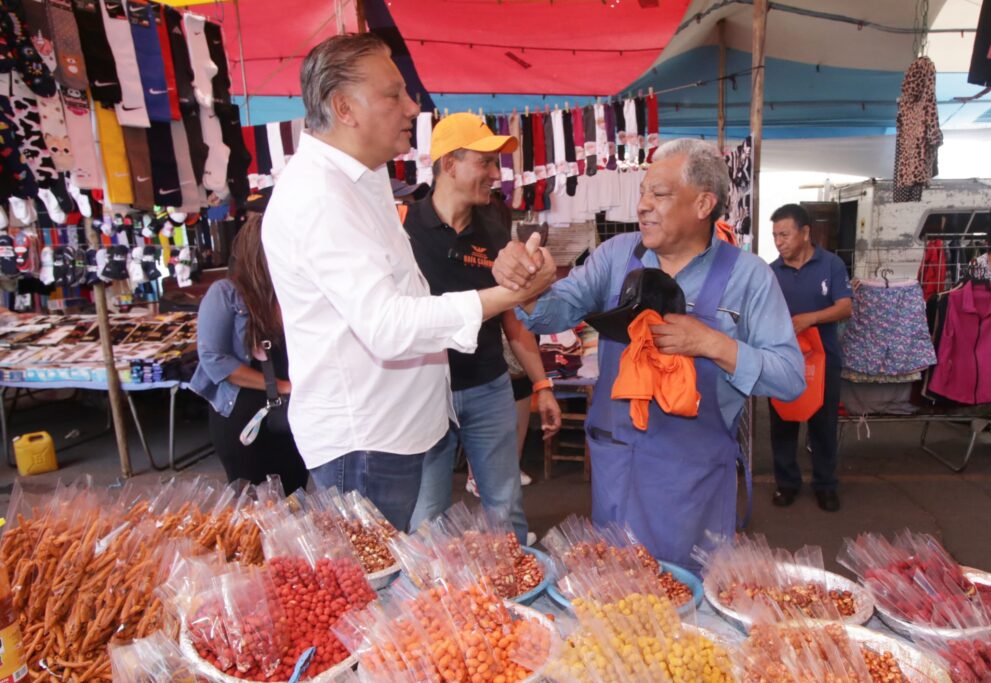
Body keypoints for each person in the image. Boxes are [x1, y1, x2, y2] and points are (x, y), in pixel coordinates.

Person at [261, 34, 556, 532]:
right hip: (368, 442)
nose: (412, 107)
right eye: (394, 94)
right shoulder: (321, 197)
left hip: (398, 428)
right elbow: (388, 324)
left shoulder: (364, 181)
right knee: (381, 582)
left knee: (406, 565)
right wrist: (510, 294)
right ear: (344, 108)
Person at [493, 138, 805, 572]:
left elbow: (790, 378)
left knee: (689, 605)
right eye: (642, 193)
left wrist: (713, 344)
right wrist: (524, 285)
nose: (642, 206)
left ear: (703, 205)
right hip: (619, 462)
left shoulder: (749, 277)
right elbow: (552, 311)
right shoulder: (617, 256)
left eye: (658, 194)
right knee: (618, 592)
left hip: (694, 476)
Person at [404, 113, 561, 543]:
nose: (496, 173)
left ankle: (514, 595)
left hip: (489, 386)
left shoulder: (494, 223)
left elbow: (511, 314)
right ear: (450, 164)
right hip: (424, 390)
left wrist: (542, 383)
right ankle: (429, 604)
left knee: (506, 504)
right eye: (485, 162)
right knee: (427, 514)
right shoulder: (403, 225)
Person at [191, 207, 308, 495]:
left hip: (291, 412)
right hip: (245, 417)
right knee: (255, 503)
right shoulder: (226, 293)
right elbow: (214, 359)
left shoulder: (291, 292)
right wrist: (280, 386)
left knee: (296, 496)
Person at [768, 204, 852, 512]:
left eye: (785, 234)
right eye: (775, 235)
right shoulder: (772, 271)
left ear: (805, 233)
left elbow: (845, 307)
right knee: (783, 423)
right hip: (782, 360)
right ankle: (787, 483)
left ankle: (825, 485)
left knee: (823, 424)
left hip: (824, 359)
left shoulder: (831, 265)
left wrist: (809, 319)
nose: (779, 242)